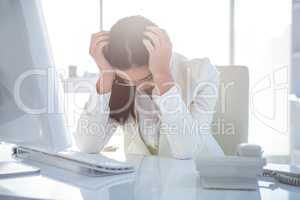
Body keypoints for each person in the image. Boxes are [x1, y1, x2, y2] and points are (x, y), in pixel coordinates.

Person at [75, 15, 224, 159]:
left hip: (200, 176)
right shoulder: (115, 79)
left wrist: (162, 77)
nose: (139, 87)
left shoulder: (202, 73)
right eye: (127, 80)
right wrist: (106, 77)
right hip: (146, 179)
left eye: (147, 77)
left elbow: (188, 151)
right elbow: (87, 146)